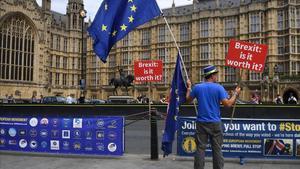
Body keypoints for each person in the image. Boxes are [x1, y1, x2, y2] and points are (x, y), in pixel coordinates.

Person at [186, 65, 241, 169]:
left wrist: (189, 87)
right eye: (216, 74)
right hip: (215, 123)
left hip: (201, 123)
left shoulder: (197, 87)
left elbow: (188, 100)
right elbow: (228, 104)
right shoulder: (219, 88)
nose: (217, 76)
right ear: (212, 76)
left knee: (200, 149)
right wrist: (235, 94)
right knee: (217, 149)